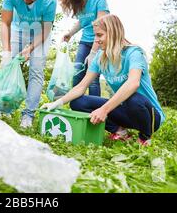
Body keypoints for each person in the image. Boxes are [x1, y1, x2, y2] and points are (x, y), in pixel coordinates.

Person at [41, 14, 165, 146]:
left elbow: (133, 83)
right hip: (125, 111)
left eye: (100, 35)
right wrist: (57, 103)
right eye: (95, 35)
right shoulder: (101, 57)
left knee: (132, 97)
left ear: (113, 33)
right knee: (77, 102)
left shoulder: (133, 53)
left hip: (149, 116)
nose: (96, 40)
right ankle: (120, 132)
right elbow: (81, 86)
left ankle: (145, 137)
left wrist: (104, 110)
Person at [0, 0, 57, 128]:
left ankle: (28, 116)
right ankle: (5, 109)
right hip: (19, 28)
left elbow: (46, 30)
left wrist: (30, 48)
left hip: (40, 33)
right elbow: (5, 22)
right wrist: (6, 51)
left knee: (36, 72)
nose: (25, 1)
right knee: (8, 65)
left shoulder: (50, 0)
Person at [58, 0, 109, 96]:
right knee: (77, 73)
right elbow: (82, 22)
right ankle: (76, 105)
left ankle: (93, 111)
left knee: (93, 78)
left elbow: (102, 28)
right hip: (85, 42)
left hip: (100, 42)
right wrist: (70, 34)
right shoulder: (79, 3)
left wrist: (93, 53)